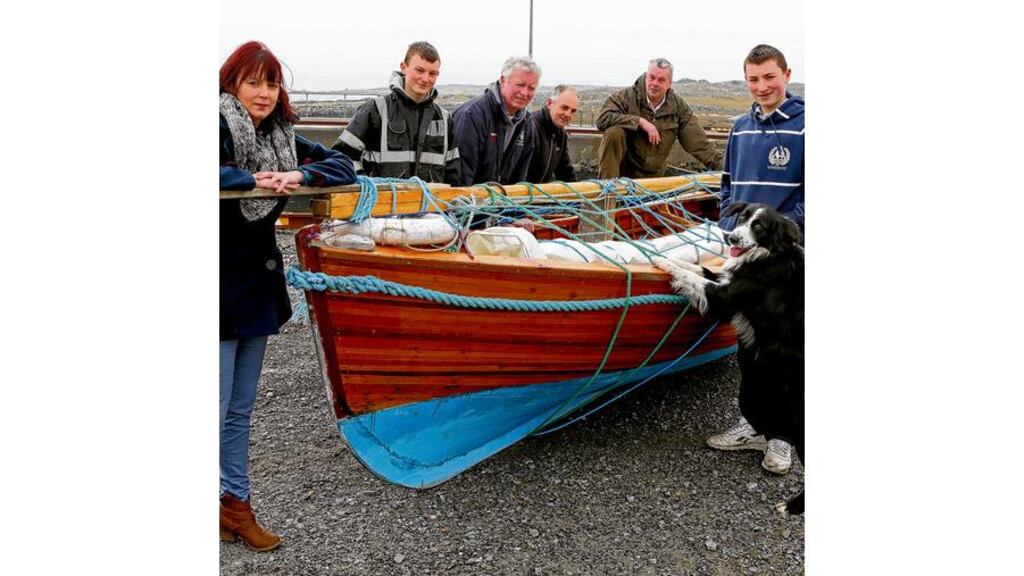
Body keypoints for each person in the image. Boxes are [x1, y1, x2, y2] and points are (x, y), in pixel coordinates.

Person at [219, 40, 356, 551]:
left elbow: (343, 167)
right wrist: (248, 179)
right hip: (214, 290)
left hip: (253, 291)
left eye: (272, 83)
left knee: (240, 408)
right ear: (232, 82)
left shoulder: (281, 136)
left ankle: (234, 505)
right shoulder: (214, 125)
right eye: (253, 81)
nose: (264, 93)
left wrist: (297, 174)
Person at [706, 44, 805, 475]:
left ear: (786, 73)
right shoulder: (741, 126)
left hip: (785, 261)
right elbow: (727, 183)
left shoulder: (808, 127)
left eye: (769, 77)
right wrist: (731, 219)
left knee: (784, 351)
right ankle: (753, 422)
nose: (761, 86)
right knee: (748, 345)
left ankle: (784, 438)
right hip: (746, 253)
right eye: (753, 79)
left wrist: (782, 234)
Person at [332, 41, 460, 184]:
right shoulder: (376, 109)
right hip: (381, 203)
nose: (425, 79)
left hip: (431, 205)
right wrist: (364, 185)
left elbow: (453, 172)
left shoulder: (444, 119)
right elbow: (341, 157)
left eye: (432, 73)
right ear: (403, 67)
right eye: (419, 70)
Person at [596, 58, 722, 179]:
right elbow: (602, 119)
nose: (654, 83)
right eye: (651, 77)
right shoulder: (625, 97)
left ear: (669, 84)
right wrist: (640, 122)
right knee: (614, 132)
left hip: (654, 181)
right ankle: (608, 196)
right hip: (620, 176)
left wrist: (728, 170)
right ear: (646, 77)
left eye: (661, 80)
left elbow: (699, 144)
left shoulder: (678, 107)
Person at [452, 56, 541, 185]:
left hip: (501, 201)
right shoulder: (472, 115)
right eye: (520, 85)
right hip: (469, 200)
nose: (524, 93)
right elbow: (461, 175)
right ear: (503, 80)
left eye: (531, 88)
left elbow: (520, 178)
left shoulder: (527, 122)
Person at [527, 84, 579, 183]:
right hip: (520, 194)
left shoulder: (560, 133)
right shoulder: (531, 127)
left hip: (540, 194)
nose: (568, 114)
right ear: (550, 103)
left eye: (573, 111)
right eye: (564, 107)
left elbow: (565, 170)